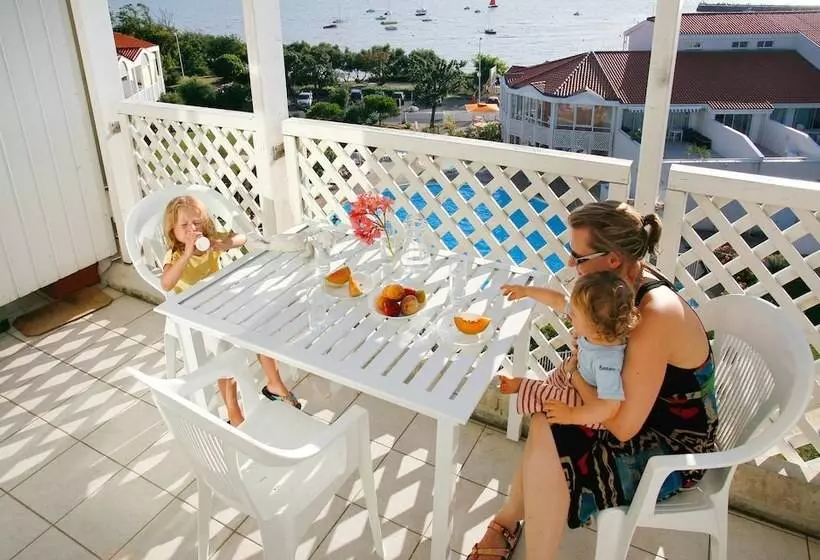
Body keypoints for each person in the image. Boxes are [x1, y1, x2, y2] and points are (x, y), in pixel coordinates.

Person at [467, 201, 718, 560]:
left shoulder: (653, 314)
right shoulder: (615, 288)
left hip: (672, 442)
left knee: (552, 424)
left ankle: (520, 534)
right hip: (634, 407)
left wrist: (574, 377)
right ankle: (510, 520)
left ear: (614, 258)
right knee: (548, 418)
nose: (571, 264)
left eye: (579, 257)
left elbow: (625, 427)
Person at [160, 195, 301, 426]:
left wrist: (223, 244)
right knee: (225, 352)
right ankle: (233, 412)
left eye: (197, 223)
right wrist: (186, 254)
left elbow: (242, 238)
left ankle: (274, 383)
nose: (192, 229)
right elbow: (166, 283)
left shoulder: (209, 242)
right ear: (172, 230)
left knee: (259, 326)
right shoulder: (175, 255)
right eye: (184, 225)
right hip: (194, 314)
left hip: (222, 302)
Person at [498, 271, 639, 429]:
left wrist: (571, 415)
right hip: (577, 372)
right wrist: (526, 291)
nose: (570, 314)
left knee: (552, 397)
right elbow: (558, 300)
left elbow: (609, 408)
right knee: (559, 373)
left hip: (590, 407)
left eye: (575, 314)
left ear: (596, 328)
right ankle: (544, 387)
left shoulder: (606, 361)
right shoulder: (598, 330)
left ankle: (521, 386)